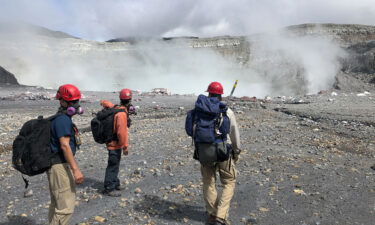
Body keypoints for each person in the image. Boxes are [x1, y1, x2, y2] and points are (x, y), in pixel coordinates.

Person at [194, 82, 241, 225]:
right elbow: (234, 133)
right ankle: (221, 216)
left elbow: (193, 130)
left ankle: (212, 214)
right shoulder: (226, 111)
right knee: (229, 181)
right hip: (223, 151)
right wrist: (237, 151)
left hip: (204, 151)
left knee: (209, 182)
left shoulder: (199, 110)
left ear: (208, 93)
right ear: (220, 95)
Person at [48, 84, 84, 225]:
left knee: (57, 204)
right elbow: (65, 145)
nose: (76, 105)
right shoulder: (62, 120)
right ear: (62, 102)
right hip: (59, 166)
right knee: (66, 208)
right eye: (72, 102)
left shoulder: (61, 118)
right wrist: (76, 170)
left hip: (56, 165)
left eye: (76, 101)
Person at [100, 88, 131, 197]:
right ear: (130, 99)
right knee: (113, 164)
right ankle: (109, 188)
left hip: (111, 142)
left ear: (120, 98)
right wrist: (125, 146)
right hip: (115, 144)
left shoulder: (116, 108)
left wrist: (103, 102)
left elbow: (106, 103)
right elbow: (121, 133)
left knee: (115, 163)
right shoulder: (121, 114)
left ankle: (115, 182)